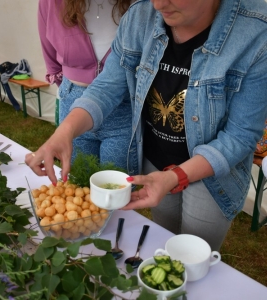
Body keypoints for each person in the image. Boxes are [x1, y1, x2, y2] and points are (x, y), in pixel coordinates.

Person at [27, 0, 267, 251]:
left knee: (193, 253)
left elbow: (241, 135)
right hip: (156, 160)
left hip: (213, 176)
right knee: (165, 239)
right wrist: (65, 131)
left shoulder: (256, 31)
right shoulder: (140, 16)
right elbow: (107, 86)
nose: (159, 4)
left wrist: (177, 176)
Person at [38, 0, 138, 175]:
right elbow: (49, 54)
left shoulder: (140, 6)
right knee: (78, 180)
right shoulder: (52, 3)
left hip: (123, 104)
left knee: (116, 188)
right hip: (73, 101)